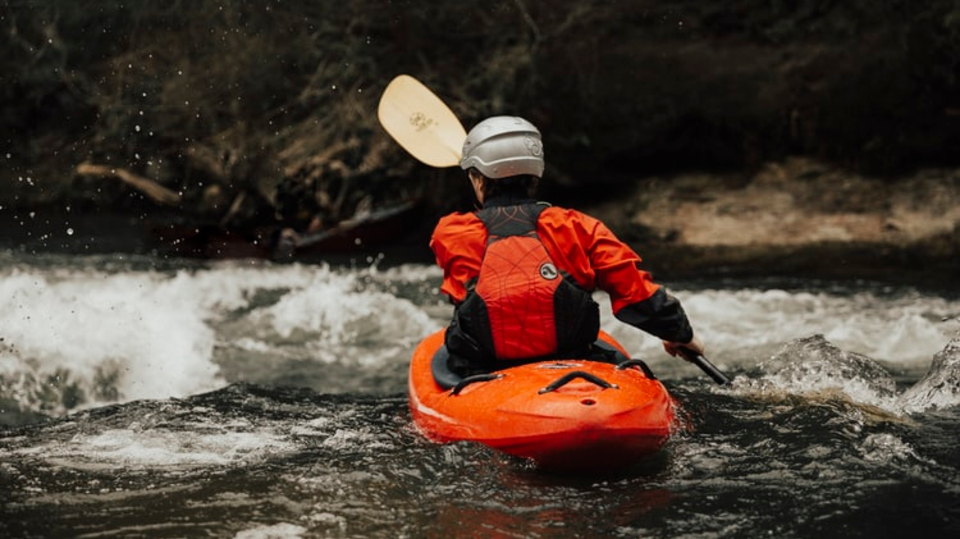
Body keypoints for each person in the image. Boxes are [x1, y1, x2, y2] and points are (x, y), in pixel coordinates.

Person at [430, 116, 705, 377]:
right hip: (573, 362)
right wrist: (681, 335)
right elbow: (636, 294)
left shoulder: (451, 233)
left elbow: (462, 291)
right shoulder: (579, 226)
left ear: (478, 179)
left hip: (483, 369)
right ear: (536, 175)